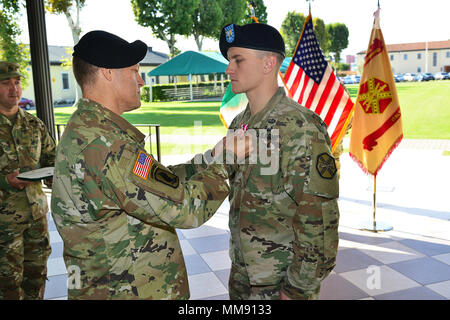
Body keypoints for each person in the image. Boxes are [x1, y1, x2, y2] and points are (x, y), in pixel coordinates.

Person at [50, 30, 250, 300]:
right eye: (134, 71)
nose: (141, 81)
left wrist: (211, 157)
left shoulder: (89, 129)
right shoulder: (108, 146)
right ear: (108, 73)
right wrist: (226, 163)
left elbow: (160, 182)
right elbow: (186, 208)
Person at [216, 23, 340, 300]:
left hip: (281, 283)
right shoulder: (240, 124)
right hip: (243, 277)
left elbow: (318, 222)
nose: (229, 69)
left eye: (238, 60)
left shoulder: (301, 127)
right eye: (229, 61)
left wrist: (296, 290)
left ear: (268, 63)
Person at [0, 61, 55, 299]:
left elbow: (53, 158)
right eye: (5, 83)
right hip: (4, 224)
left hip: (37, 218)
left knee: (37, 276)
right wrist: (4, 181)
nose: (14, 89)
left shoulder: (34, 124)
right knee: (8, 284)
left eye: (17, 82)